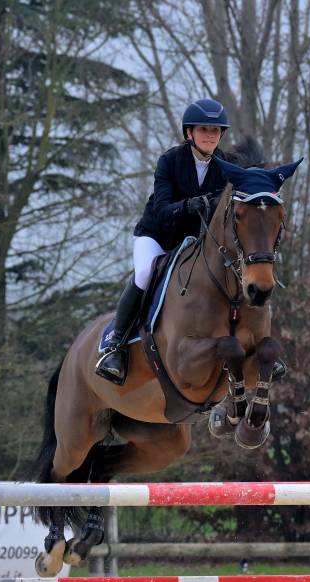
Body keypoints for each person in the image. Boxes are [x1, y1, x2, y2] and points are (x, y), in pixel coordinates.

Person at [94, 98, 231, 384]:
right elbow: (162, 208)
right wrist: (188, 206)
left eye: (216, 130)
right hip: (158, 236)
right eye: (203, 129)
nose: (209, 135)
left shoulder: (226, 166)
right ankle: (115, 345)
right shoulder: (170, 161)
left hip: (197, 244)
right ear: (188, 133)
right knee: (145, 272)